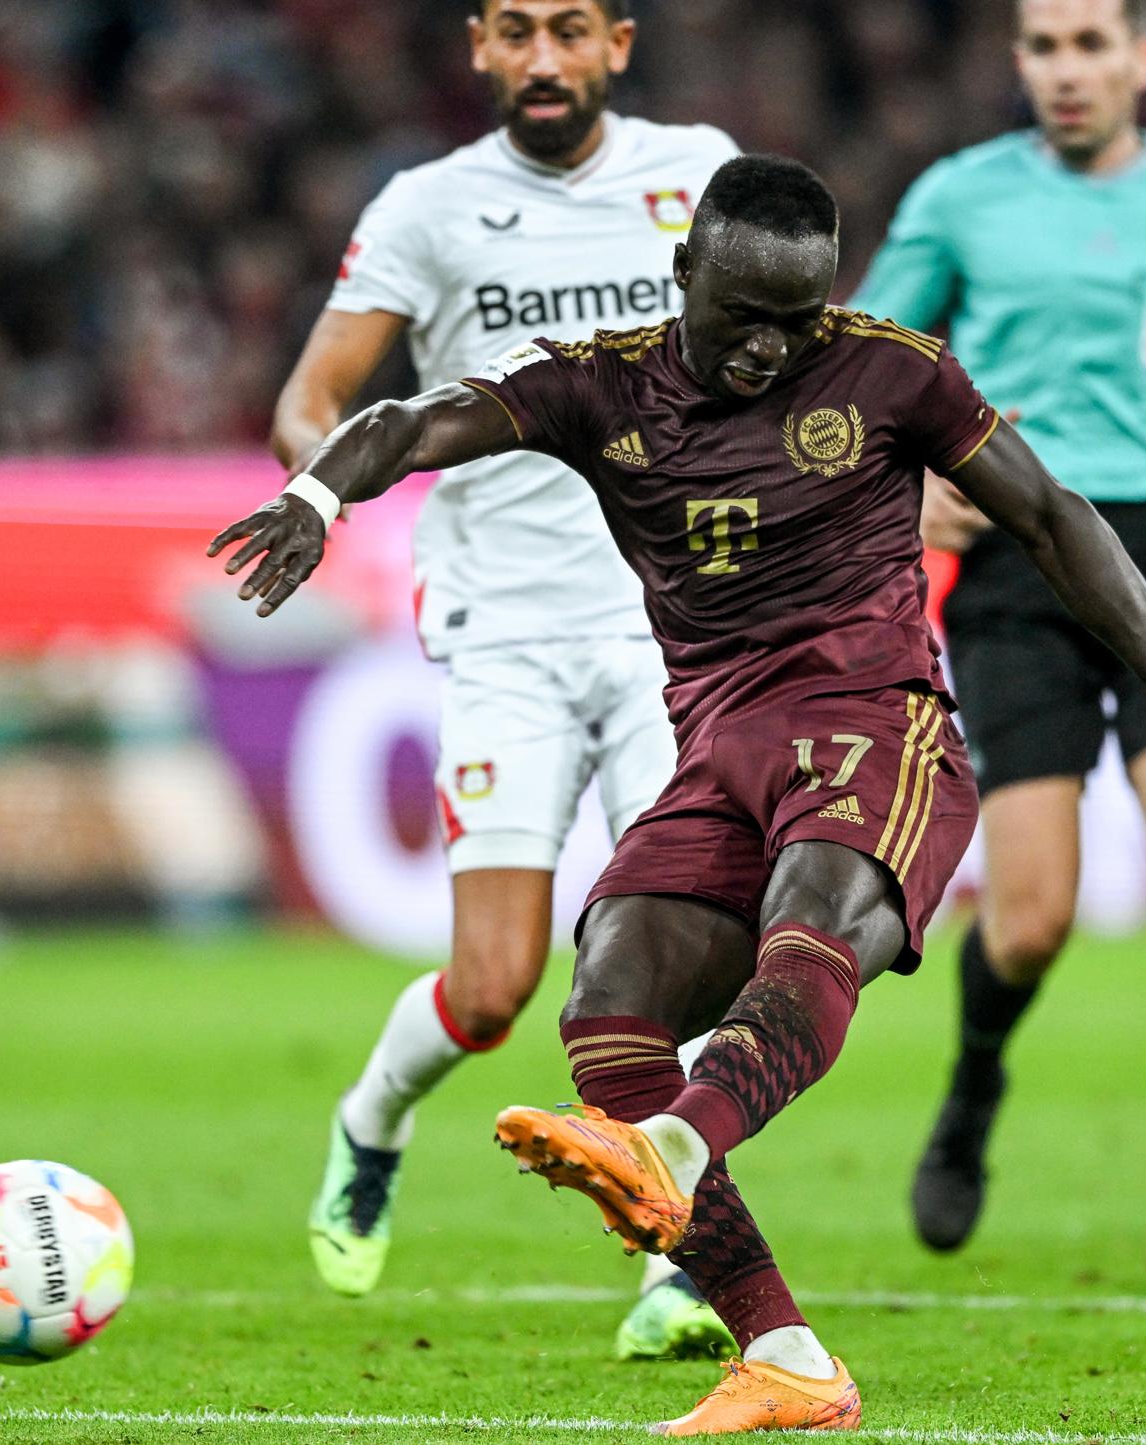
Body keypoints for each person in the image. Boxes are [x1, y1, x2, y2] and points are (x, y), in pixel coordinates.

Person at [208, 153, 1146, 1436]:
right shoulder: (602, 384)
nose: (774, 349)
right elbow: (411, 419)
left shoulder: (893, 370)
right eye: (744, 318)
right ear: (684, 276)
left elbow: (1054, 519)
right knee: (610, 997)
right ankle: (783, 1351)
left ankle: (674, 1150)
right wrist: (318, 492)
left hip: (876, 727)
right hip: (717, 747)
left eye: (802, 319)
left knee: (813, 911)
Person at [275, 0, 737, 1360]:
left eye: (573, 30)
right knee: (492, 986)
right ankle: (372, 1120)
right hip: (506, 633)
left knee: (691, 966)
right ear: (479, 45)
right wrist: (324, 484)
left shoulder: (698, 173)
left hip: (676, 632)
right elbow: (314, 398)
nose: (546, 59)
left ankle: (681, 1264)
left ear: (620, 45)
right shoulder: (428, 207)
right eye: (519, 32)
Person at [851, 0, 1146, 1269]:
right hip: (1022, 561)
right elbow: (862, 366)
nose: (1067, 71)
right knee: (1030, 916)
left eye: (1090, 45)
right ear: (1019, 63)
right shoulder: (960, 198)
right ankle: (968, 1104)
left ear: (1143, 59)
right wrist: (911, 479)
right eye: (1044, 48)